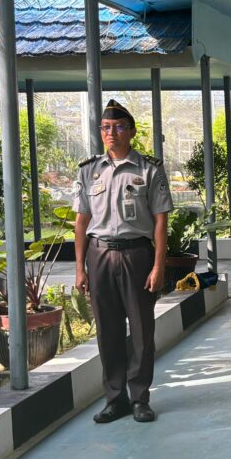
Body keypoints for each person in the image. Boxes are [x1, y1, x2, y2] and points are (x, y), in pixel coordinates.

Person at [73, 99, 173, 425]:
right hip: (99, 254)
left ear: (131, 131)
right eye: (106, 128)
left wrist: (158, 266)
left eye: (118, 127)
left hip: (137, 255)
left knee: (142, 330)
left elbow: (160, 221)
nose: (111, 133)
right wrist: (79, 268)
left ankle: (140, 398)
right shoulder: (89, 170)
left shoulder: (149, 169)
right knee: (108, 330)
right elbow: (81, 222)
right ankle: (115, 399)